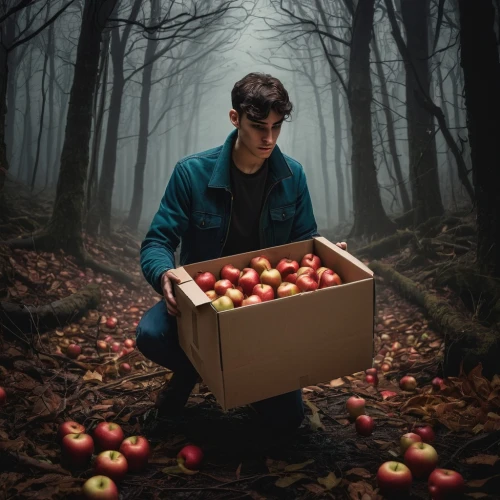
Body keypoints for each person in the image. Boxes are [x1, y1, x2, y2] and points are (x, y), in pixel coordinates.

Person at [136, 72, 346, 433]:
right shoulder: (191, 173)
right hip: (202, 305)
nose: (268, 138)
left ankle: (237, 376)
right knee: (151, 334)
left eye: (277, 127)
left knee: (285, 423)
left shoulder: (293, 176)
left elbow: (304, 244)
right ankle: (192, 371)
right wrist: (163, 273)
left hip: (266, 313)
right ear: (235, 119)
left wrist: (326, 259)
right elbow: (157, 241)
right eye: (258, 126)